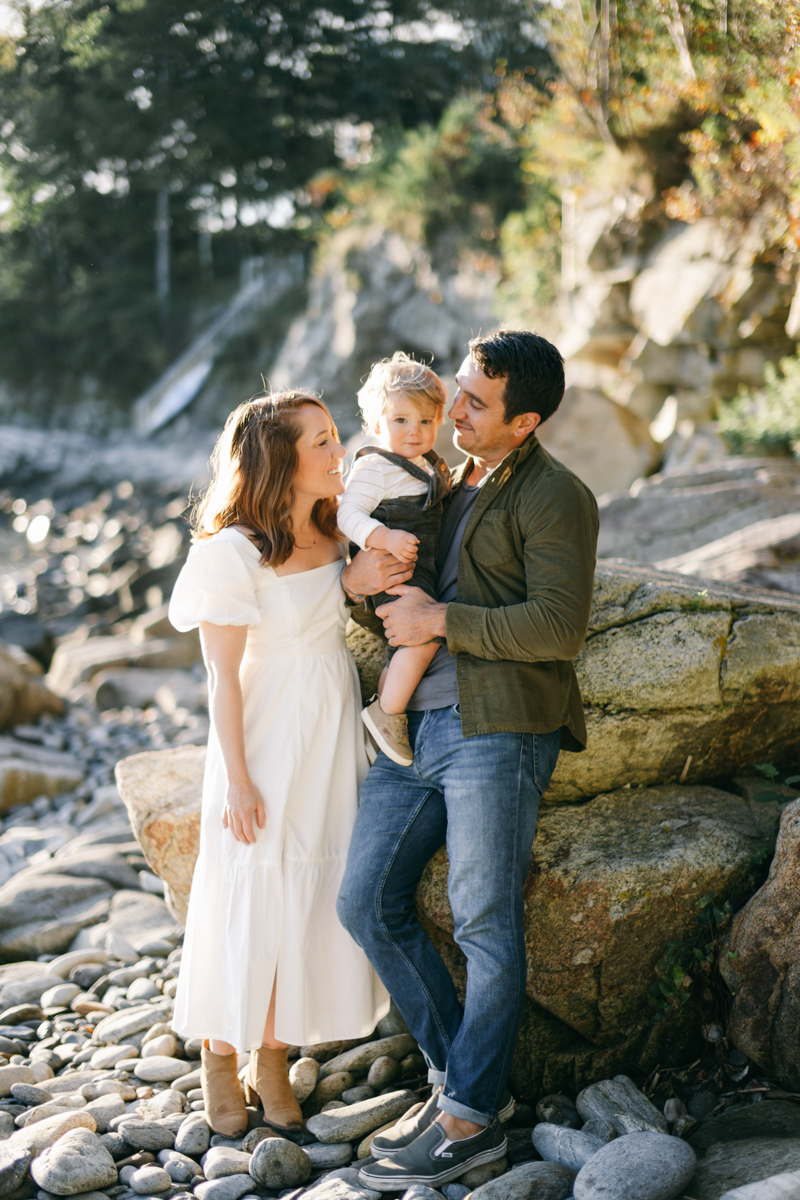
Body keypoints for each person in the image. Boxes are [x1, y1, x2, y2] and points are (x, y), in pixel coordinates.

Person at [336, 330, 600, 1192]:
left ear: (525, 421)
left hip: (498, 729)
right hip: (411, 730)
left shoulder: (557, 496)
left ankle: (468, 1124)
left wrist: (442, 624)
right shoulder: (447, 477)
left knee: (484, 920)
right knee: (366, 902)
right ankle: (466, 1083)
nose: (454, 410)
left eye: (476, 403)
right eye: (458, 390)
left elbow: (558, 627)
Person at [168, 391, 390, 1138]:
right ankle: (220, 1056)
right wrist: (235, 778)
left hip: (329, 737)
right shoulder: (231, 551)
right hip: (261, 740)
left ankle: (275, 1057)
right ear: (281, 460)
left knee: (308, 894)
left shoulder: (336, 531)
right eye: (323, 442)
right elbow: (221, 678)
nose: (340, 452)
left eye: (336, 437)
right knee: (252, 892)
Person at [337, 352, 451, 767]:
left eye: (426, 421)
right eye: (400, 421)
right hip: (394, 573)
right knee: (424, 640)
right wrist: (382, 535)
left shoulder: (424, 464)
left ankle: (384, 698)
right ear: (376, 423)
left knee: (409, 644)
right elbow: (346, 514)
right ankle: (388, 713)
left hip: (422, 571)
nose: (414, 431)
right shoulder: (374, 468)